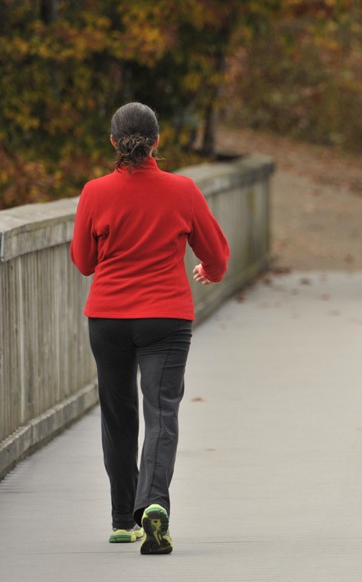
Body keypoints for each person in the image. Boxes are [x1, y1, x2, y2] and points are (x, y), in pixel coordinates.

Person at [70, 102, 230, 555]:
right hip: (166, 317)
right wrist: (210, 273)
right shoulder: (183, 190)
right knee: (161, 412)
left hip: (107, 316)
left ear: (113, 142)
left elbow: (84, 262)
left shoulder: (94, 192)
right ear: (158, 141)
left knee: (118, 415)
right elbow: (216, 254)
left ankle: (123, 521)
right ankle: (154, 503)